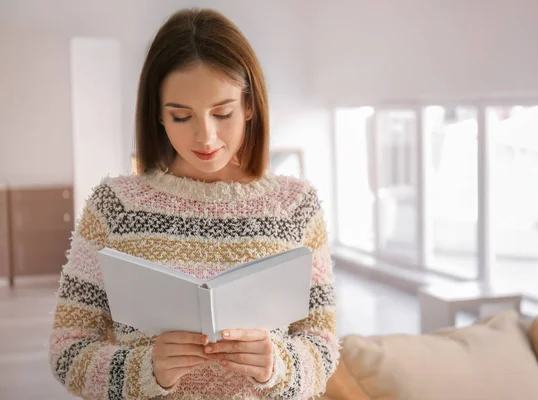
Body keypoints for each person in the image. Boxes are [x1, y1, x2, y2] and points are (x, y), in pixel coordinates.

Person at [48, 8, 339, 400]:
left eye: (223, 113)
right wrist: (144, 369)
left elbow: (322, 347)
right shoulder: (114, 206)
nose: (206, 136)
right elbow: (68, 350)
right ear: (158, 116)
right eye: (182, 116)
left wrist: (278, 365)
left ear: (250, 105)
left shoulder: (296, 206)